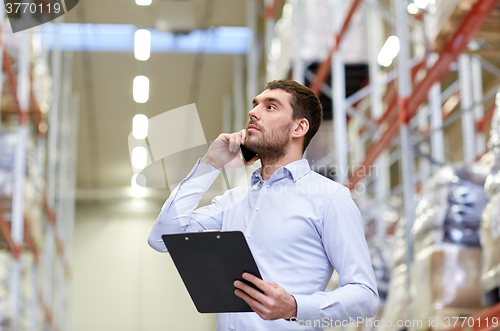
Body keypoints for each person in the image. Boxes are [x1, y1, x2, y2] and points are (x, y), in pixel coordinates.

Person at [148, 79, 379, 330]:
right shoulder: (232, 201)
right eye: (255, 105)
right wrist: (210, 164)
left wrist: (295, 307)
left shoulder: (330, 198)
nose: (252, 112)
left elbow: (365, 296)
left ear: (299, 127)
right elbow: (161, 238)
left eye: (270, 107)